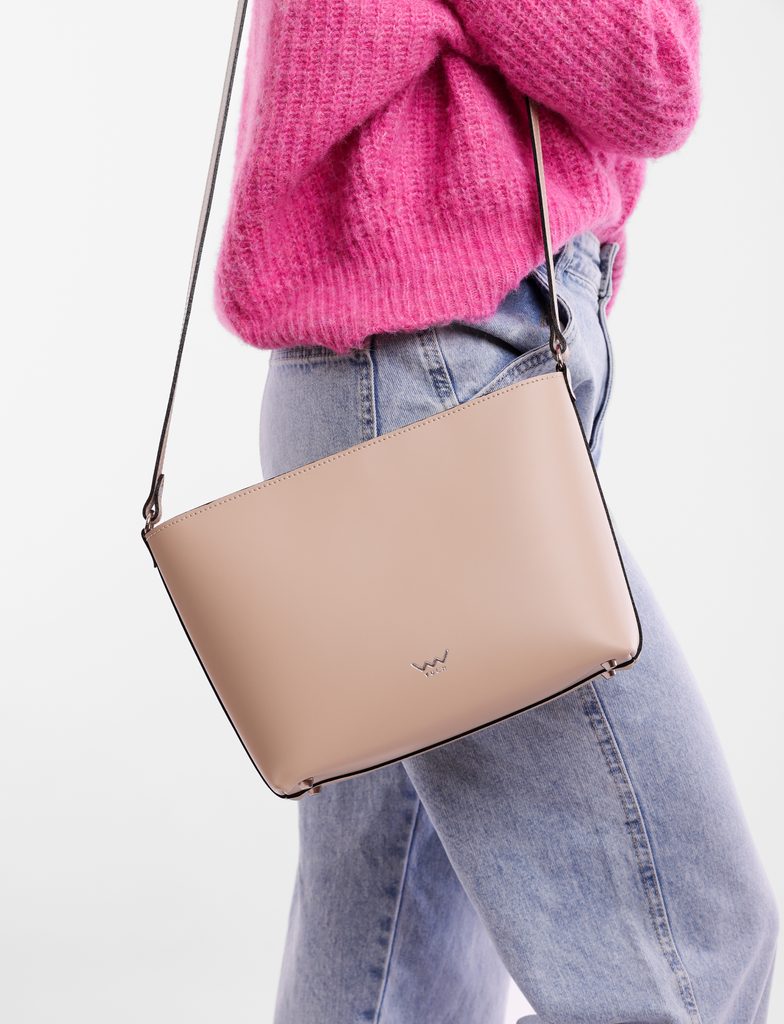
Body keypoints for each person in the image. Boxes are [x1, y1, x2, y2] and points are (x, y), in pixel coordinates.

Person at [215, 2, 779, 1020]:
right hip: (435, 381)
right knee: (685, 956)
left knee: (394, 951)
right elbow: (646, 73)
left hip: (452, 371)